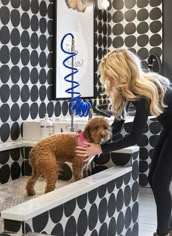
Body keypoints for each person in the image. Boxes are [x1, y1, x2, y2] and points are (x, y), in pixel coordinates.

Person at [75, 48, 172, 236]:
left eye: (110, 76)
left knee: (160, 182)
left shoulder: (142, 92)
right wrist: (97, 141)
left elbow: (135, 137)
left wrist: (100, 148)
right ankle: (168, 228)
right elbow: (117, 127)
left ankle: (162, 233)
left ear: (121, 73)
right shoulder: (127, 91)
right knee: (154, 179)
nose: (108, 81)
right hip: (169, 127)